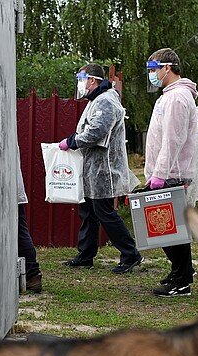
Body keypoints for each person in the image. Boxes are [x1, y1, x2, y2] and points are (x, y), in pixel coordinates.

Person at [59, 63, 143, 274]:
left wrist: (72, 142)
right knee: (88, 211)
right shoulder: (97, 99)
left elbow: (96, 131)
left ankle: (130, 254)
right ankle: (86, 255)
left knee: (104, 212)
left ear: (93, 80)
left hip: (105, 169)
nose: (80, 84)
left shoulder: (106, 101)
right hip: (94, 169)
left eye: (82, 79)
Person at [143, 48, 198, 297]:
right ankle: (182, 270)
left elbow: (173, 139)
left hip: (172, 172)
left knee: (168, 228)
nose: (151, 75)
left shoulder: (178, 98)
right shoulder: (170, 95)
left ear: (167, 68)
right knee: (168, 227)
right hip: (166, 170)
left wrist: (160, 174)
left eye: (153, 70)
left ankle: (182, 280)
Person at [16, 147, 42, 293]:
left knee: (19, 232)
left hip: (5, 188)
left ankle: (32, 274)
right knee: (20, 231)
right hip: (11, 188)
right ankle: (32, 275)